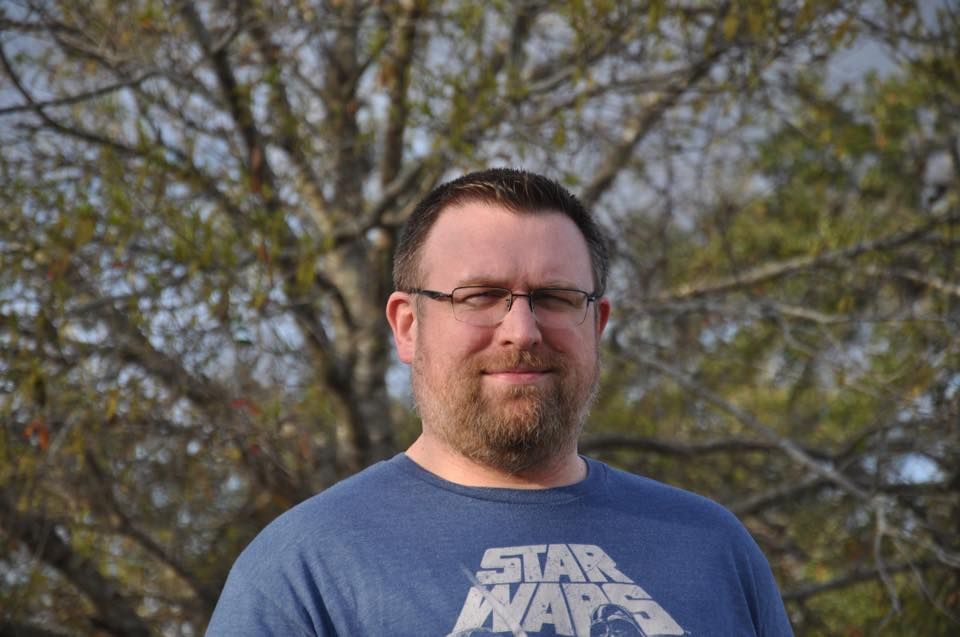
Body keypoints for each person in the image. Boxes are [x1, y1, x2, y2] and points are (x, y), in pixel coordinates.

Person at [206, 168, 794, 636]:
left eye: (555, 297)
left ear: (598, 324)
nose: (522, 329)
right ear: (407, 327)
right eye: (481, 295)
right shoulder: (304, 569)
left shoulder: (713, 549)